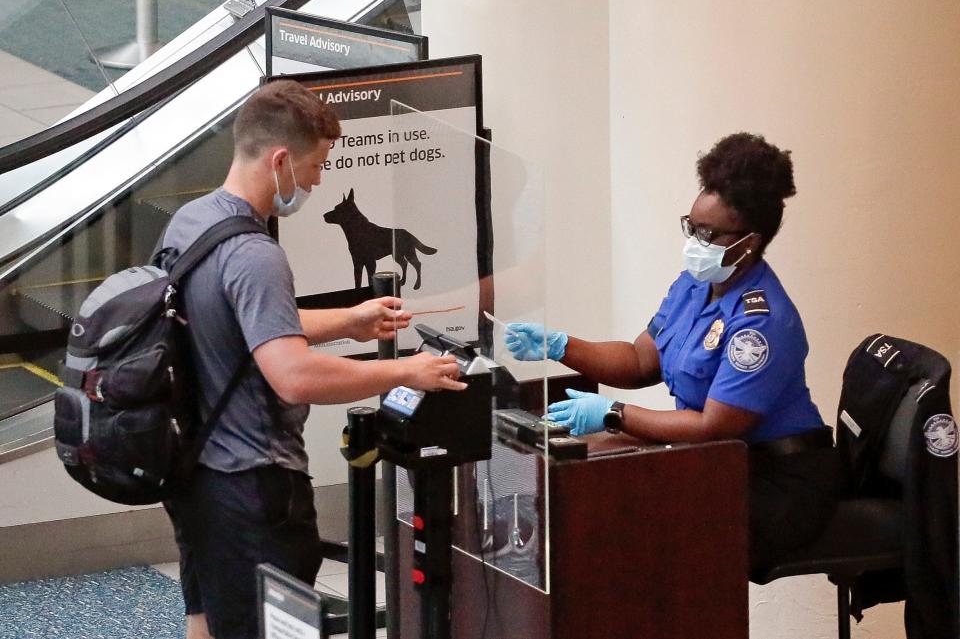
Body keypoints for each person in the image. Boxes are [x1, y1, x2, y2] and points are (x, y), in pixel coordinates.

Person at [160, 79, 466, 639]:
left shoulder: (191, 223)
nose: (318, 181)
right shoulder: (256, 254)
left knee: (206, 621)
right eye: (317, 165)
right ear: (280, 159)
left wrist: (349, 320)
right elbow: (293, 375)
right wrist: (407, 370)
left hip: (194, 474)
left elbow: (240, 326)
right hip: (255, 488)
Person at [504, 132, 841, 577]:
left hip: (776, 479)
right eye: (692, 227)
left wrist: (613, 414)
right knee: (587, 476)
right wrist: (561, 346)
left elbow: (712, 427)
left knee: (629, 517)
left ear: (749, 242)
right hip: (720, 460)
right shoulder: (694, 285)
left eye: (709, 233)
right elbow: (641, 360)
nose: (696, 242)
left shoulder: (761, 322)